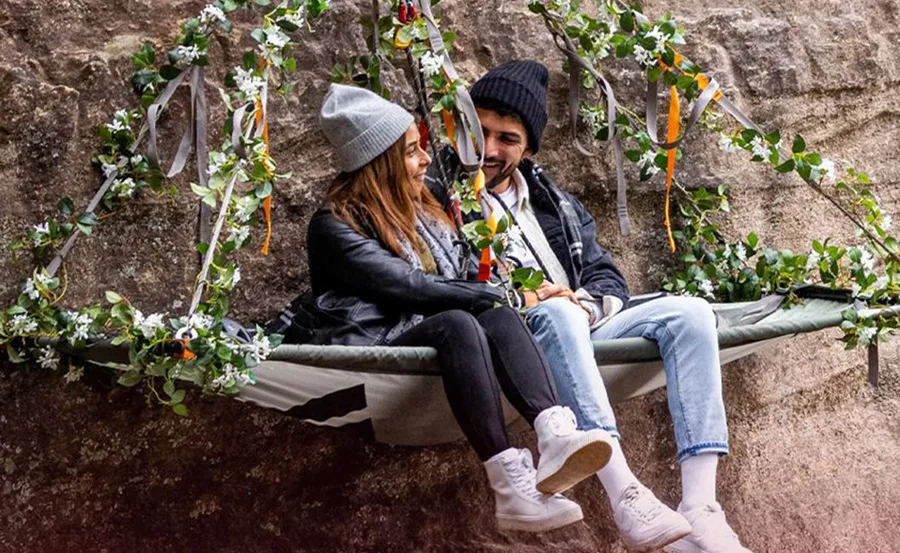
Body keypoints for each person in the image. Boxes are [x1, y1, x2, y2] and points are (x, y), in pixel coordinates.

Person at [426, 60, 753, 553]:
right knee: (555, 316)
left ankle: (701, 506)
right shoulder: (436, 195)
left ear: (530, 147)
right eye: (481, 130)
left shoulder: (553, 200)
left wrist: (585, 306)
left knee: (691, 313)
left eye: (507, 138)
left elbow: (606, 277)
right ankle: (626, 495)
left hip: (579, 322)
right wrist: (531, 299)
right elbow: (441, 284)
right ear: (462, 125)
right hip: (516, 335)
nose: (489, 150)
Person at [308, 83, 614, 533]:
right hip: (373, 343)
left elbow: (471, 275)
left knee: (494, 313)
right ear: (382, 162)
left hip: (428, 333)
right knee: (461, 321)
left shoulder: (425, 210)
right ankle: (509, 484)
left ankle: (554, 435)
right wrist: (505, 294)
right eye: (413, 152)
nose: (427, 160)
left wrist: (524, 294)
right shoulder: (333, 225)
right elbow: (409, 287)